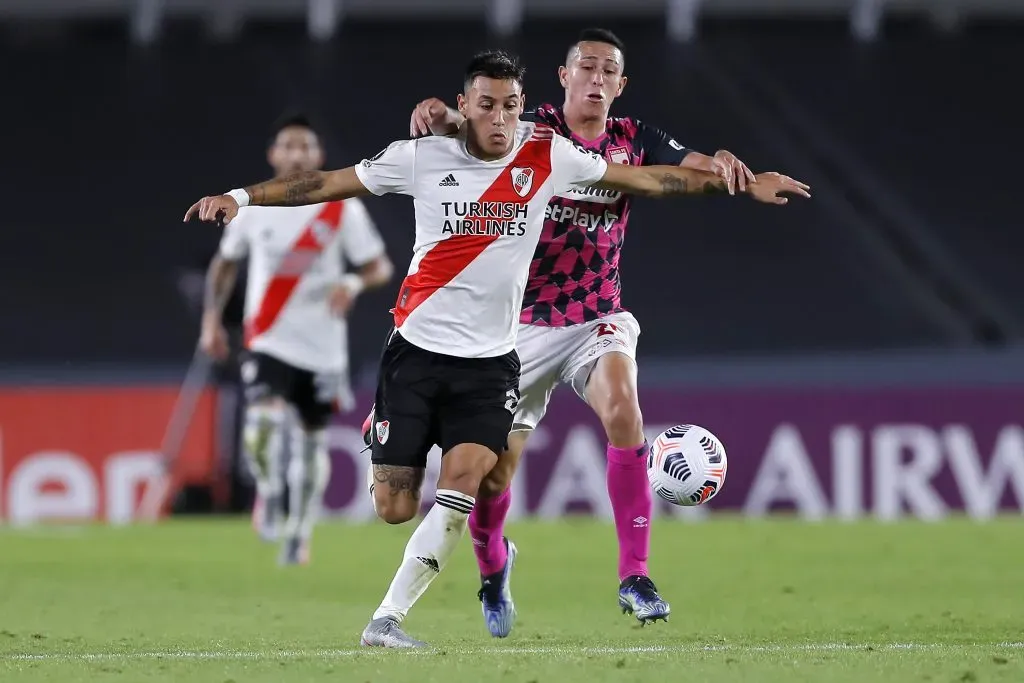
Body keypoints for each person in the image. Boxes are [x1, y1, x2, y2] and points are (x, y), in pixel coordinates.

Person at [185, 50, 809, 648]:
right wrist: (240, 199)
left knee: (464, 486)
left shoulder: (548, 154)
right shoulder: (419, 159)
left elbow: (647, 178)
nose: (503, 119)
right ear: (466, 106)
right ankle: (413, 469)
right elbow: (326, 181)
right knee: (395, 507)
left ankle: (387, 620)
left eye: (513, 105)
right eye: (488, 105)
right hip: (416, 353)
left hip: (493, 363)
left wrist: (737, 186)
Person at [404, 27, 767, 634]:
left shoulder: (635, 139)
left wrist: (735, 169)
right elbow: (468, 133)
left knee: (624, 408)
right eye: (587, 68)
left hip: (597, 315)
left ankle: (635, 577)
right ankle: (493, 569)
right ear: (564, 76)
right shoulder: (531, 128)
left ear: (620, 86)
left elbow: (695, 166)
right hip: (518, 326)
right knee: (492, 476)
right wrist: (439, 114)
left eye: (609, 71)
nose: (597, 79)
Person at [199, 112, 393, 565]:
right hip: (268, 338)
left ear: (319, 155)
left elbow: (379, 266)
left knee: (310, 441)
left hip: (323, 346)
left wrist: (351, 283)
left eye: (306, 147)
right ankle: (269, 491)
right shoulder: (251, 207)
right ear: (273, 154)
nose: (297, 154)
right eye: (288, 145)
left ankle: (299, 531)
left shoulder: (341, 208)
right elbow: (225, 264)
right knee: (260, 432)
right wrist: (211, 321)